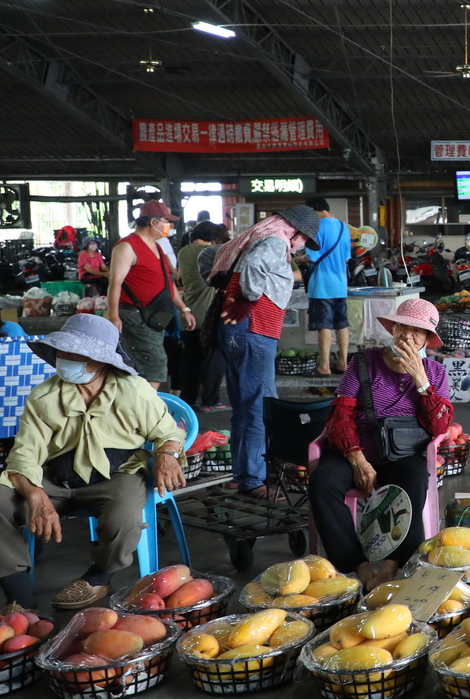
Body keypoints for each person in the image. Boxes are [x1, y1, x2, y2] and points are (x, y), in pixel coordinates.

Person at [0, 314, 184, 610]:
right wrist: (35, 494)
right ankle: (19, 597)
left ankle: (99, 577)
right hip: (55, 478)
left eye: (77, 354)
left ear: (101, 361)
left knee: (124, 515)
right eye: (63, 352)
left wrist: (167, 455)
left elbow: (168, 432)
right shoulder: (44, 396)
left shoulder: (133, 390)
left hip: (116, 475)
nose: (66, 359)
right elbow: (25, 454)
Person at [311, 298, 455, 590]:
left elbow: (439, 427)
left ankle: (391, 566)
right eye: (403, 327)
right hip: (356, 451)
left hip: (402, 455)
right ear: (393, 328)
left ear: (427, 339)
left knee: (416, 479)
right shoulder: (363, 363)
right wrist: (357, 459)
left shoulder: (436, 373)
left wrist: (421, 380)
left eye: (418, 331)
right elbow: (340, 413)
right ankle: (359, 567)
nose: (408, 336)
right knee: (323, 482)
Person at [211, 204, 321, 500]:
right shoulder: (275, 241)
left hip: (240, 332)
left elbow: (208, 258)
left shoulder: (257, 237)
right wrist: (248, 299)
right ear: (294, 231)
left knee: (244, 407)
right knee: (260, 407)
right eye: (302, 239)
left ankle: (242, 473)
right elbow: (255, 265)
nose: (300, 245)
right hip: (254, 330)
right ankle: (253, 479)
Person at [105, 200, 196, 390]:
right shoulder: (127, 247)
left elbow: (167, 283)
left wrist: (184, 309)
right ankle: (145, 405)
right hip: (136, 314)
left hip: (155, 315)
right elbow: (115, 282)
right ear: (153, 222)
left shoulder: (157, 246)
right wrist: (113, 315)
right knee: (155, 365)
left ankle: (142, 403)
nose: (169, 226)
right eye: (166, 221)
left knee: (150, 364)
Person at [172, 221, 225, 410]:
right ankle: (210, 400)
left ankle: (189, 399)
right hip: (208, 314)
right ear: (213, 238)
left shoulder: (183, 252)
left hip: (188, 311)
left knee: (191, 359)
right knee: (213, 358)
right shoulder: (211, 252)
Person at [301, 196, 351, 377]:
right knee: (341, 323)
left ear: (312, 209)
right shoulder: (343, 227)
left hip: (322, 285)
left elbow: (312, 257)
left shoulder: (315, 228)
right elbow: (346, 258)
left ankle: (324, 366)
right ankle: (343, 363)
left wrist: (299, 259)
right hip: (340, 285)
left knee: (324, 325)